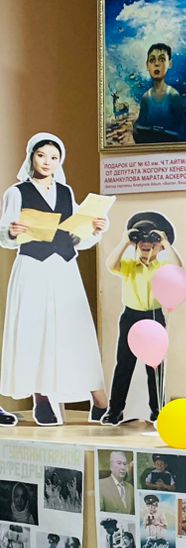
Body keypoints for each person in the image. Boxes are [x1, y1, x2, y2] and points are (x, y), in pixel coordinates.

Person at [0, 133, 109, 425]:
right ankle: (42, 400)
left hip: (63, 268)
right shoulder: (17, 192)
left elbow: (75, 236)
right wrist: (11, 231)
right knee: (36, 330)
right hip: (33, 268)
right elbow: (5, 235)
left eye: (54, 157)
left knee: (75, 330)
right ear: (31, 157)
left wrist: (95, 228)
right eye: (41, 156)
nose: (47, 162)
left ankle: (100, 401)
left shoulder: (65, 192)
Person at [102, 211, 183, 425]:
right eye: (141, 241)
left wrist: (165, 242)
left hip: (154, 316)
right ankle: (115, 410)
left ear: (160, 247)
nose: (146, 244)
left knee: (155, 367)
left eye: (152, 241)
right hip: (130, 316)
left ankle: (158, 410)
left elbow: (178, 268)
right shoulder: (129, 265)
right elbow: (110, 264)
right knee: (124, 365)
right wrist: (125, 241)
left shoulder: (162, 267)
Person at [133, 43, 185, 144]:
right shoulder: (146, 97)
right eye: (152, 60)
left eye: (162, 59)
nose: (156, 64)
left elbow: (181, 128)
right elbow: (140, 125)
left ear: (170, 64)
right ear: (147, 65)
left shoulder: (173, 96)